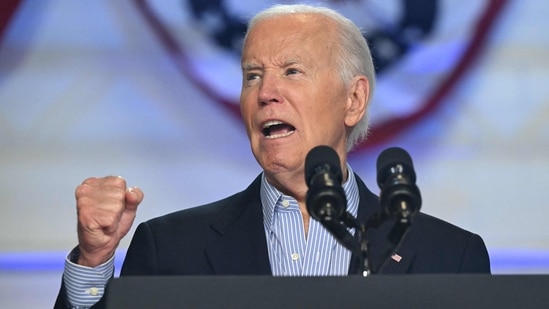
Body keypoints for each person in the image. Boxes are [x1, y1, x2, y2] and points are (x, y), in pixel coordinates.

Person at [54, 4, 490, 308]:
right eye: (252, 75)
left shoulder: (448, 255)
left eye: (292, 72)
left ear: (353, 100)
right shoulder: (170, 249)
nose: (265, 94)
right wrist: (94, 262)